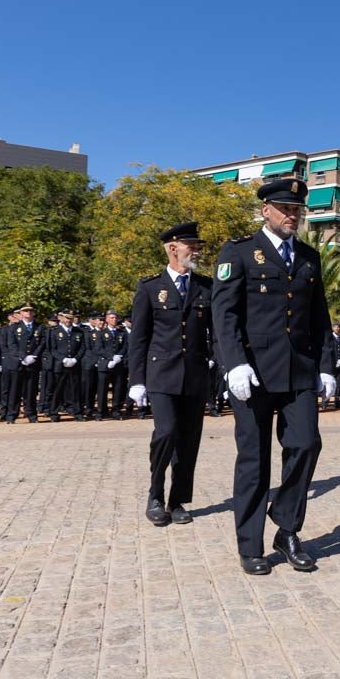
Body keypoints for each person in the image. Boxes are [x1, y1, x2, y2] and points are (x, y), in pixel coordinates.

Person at [211, 181, 336, 574]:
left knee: (305, 444)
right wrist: (233, 363)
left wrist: (327, 366)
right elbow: (224, 313)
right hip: (253, 373)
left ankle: (286, 528)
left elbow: (320, 319)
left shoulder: (309, 258)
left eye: (297, 209)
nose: (292, 215)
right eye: (284, 208)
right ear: (266, 209)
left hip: (298, 371)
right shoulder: (239, 252)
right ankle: (250, 544)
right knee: (254, 460)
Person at [129, 222, 216, 526]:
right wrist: (136, 380)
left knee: (189, 440)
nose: (196, 250)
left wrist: (226, 369)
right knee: (165, 433)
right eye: (191, 245)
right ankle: (155, 494)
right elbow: (138, 338)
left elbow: (216, 334)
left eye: (197, 246)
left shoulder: (207, 286)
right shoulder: (150, 287)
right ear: (172, 247)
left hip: (195, 375)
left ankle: (177, 500)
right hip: (161, 374)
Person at [5, 304, 45, 424]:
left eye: (30, 311)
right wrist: (23, 357)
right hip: (18, 363)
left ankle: (32, 414)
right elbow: (12, 345)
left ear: (34, 313)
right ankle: (12, 415)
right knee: (15, 391)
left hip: (33, 362)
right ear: (21, 313)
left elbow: (42, 343)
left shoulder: (40, 327)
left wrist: (34, 356)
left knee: (31, 391)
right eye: (25, 311)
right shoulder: (14, 328)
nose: (28, 313)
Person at [44, 309, 84, 421]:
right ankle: (54, 413)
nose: (68, 320)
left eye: (71, 318)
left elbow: (82, 347)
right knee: (57, 389)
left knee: (76, 389)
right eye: (66, 318)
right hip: (60, 364)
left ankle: (78, 412)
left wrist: (75, 359)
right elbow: (52, 348)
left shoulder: (79, 331)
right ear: (61, 318)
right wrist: (63, 359)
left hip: (74, 364)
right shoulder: (55, 331)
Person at [96, 310, 129, 419]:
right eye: (111, 318)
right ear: (106, 319)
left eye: (115, 318)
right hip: (105, 364)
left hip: (118, 365)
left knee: (117, 389)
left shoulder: (121, 333)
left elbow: (125, 346)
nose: (114, 320)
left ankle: (116, 410)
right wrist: (110, 358)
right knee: (102, 390)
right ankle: (101, 412)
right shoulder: (101, 333)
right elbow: (99, 348)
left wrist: (118, 357)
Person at [326, 321, 340, 410]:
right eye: (335, 327)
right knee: (329, 384)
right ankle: (325, 402)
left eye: (338, 327)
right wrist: (332, 361)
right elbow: (327, 351)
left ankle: (337, 401)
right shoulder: (329, 338)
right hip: (331, 365)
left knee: (338, 384)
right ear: (332, 328)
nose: (337, 329)